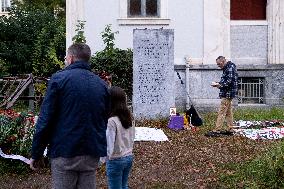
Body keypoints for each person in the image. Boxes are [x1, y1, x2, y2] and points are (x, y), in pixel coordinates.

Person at [30, 43, 110, 189]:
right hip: (91, 152)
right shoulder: (102, 85)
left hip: (65, 151)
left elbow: (45, 119)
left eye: (66, 57)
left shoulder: (58, 79)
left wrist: (37, 153)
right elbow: (104, 119)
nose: (66, 60)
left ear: (71, 58)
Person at [106, 86, 135, 189]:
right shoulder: (129, 117)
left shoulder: (111, 121)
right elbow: (132, 137)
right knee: (124, 185)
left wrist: (103, 159)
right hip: (129, 156)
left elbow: (109, 144)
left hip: (116, 159)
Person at [211, 56, 238, 131]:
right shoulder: (227, 67)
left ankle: (217, 130)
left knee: (222, 111)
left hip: (228, 93)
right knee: (228, 113)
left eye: (219, 64)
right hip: (228, 92)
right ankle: (230, 129)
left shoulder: (230, 68)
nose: (218, 66)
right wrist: (218, 83)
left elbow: (229, 82)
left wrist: (219, 85)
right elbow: (227, 80)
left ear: (223, 62)